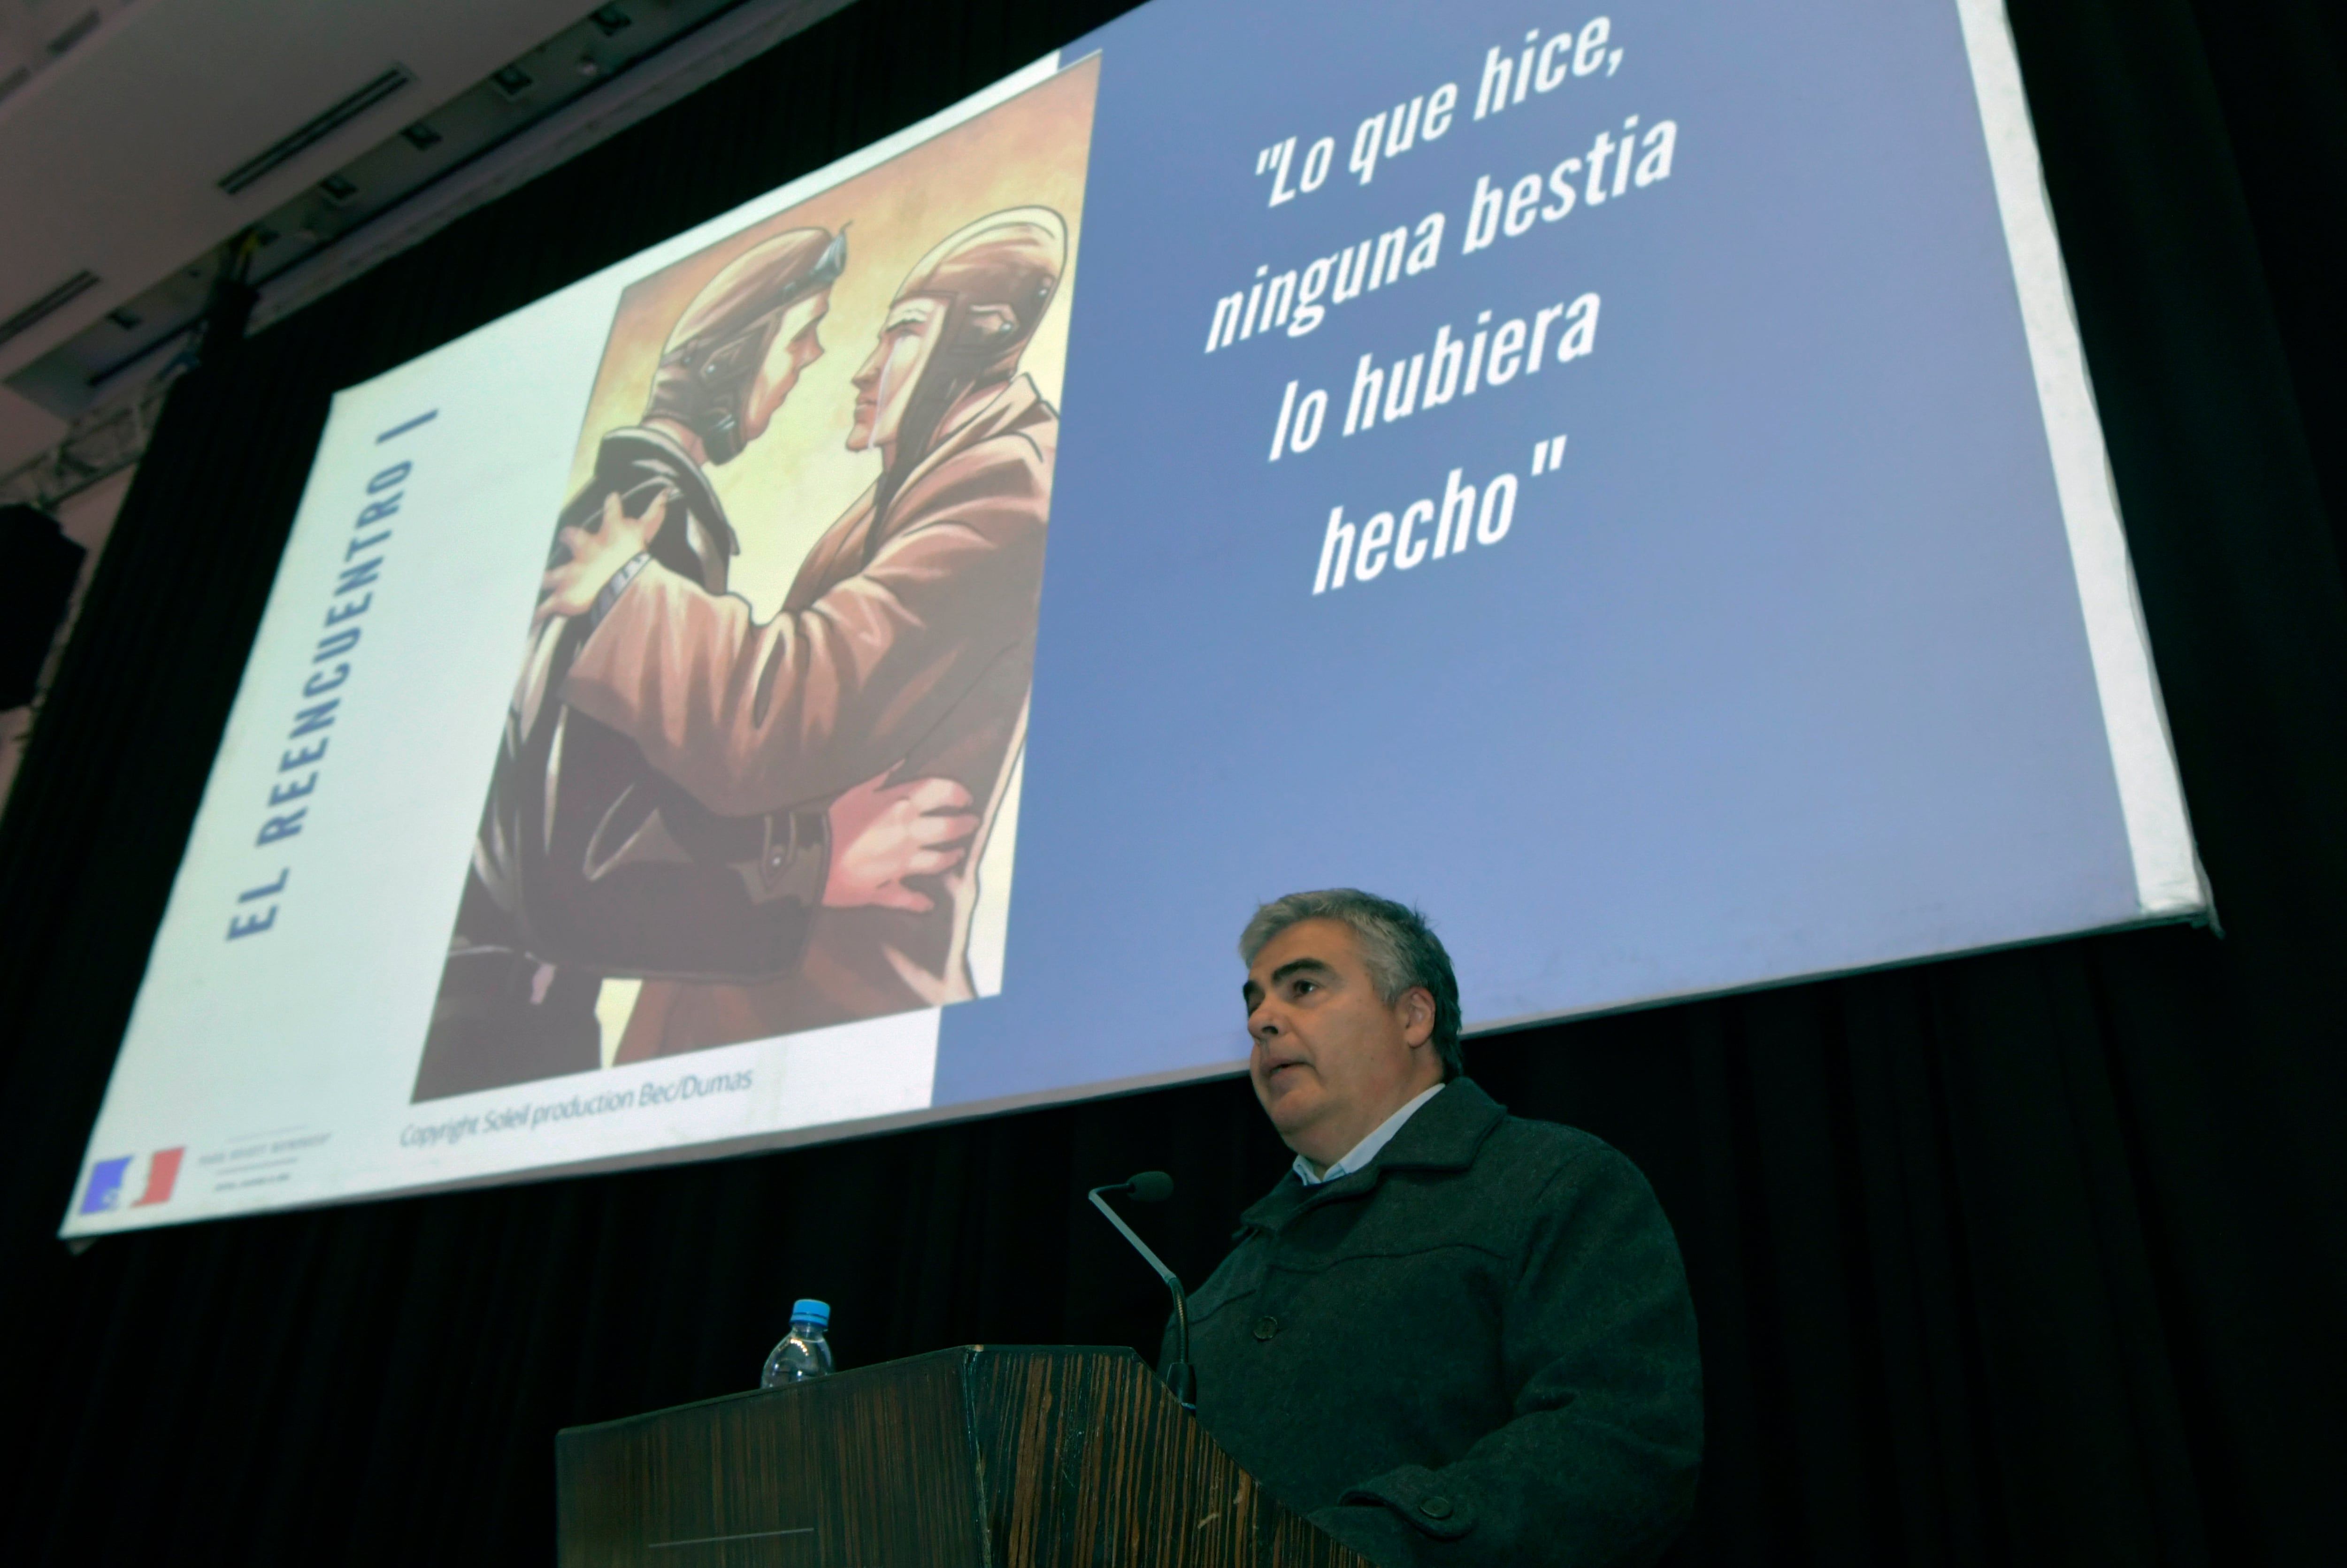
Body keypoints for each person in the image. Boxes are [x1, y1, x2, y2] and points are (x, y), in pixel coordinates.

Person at [414, 228, 975, 1100]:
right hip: (500, 1032)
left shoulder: (618, 510)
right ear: (736, 356)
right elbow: (583, 861)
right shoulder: (652, 521)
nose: (813, 362)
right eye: (799, 337)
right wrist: (814, 857)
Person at [532, 207, 1069, 1056]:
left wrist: (625, 596)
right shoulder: (921, 489)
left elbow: (787, 710)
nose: (860, 369)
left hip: (845, 1024)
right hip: (771, 1013)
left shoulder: (1004, 488)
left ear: (977, 342)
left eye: (900, 334)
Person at [1169, 889, 1702, 1566]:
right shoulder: (1213, 1295)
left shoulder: (1555, 1182)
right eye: (1255, 1001)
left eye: (1302, 986)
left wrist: (1353, 1549)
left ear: (1414, 1015)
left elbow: (1620, 1447)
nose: (1262, 1020)